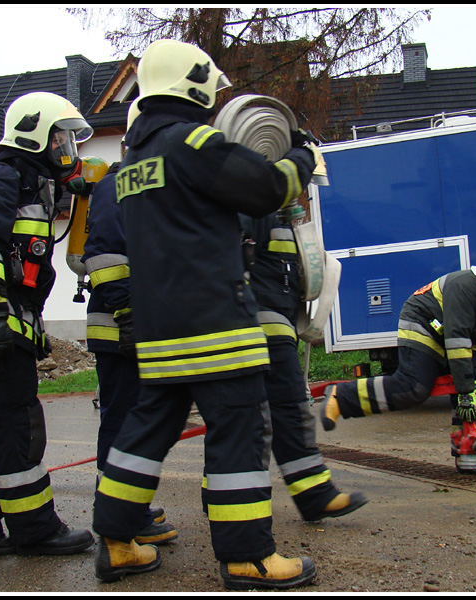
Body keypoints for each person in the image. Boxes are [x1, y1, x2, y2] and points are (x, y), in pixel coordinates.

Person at [93, 39, 317, 590]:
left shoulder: (133, 161)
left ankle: (117, 542)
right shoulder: (192, 141)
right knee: (239, 430)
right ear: (191, 83)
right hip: (215, 321)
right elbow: (264, 187)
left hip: (159, 329)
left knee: (144, 434)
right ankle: (247, 558)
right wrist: (301, 154)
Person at [0, 91, 95, 559]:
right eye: (61, 139)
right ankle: (35, 529)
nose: (69, 149)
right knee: (15, 424)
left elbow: (22, 271)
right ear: (35, 134)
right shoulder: (3, 177)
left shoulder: (29, 184)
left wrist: (30, 323)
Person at [322, 255, 476, 476]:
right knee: (414, 387)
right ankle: (341, 398)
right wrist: (465, 389)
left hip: (447, 334)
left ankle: (470, 455)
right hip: (423, 323)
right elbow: (458, 339)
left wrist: (473, 384)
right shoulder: (467, 286)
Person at [83, 104, 177, 548]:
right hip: (120, 328)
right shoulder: (113, 186)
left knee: (135, 421)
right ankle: (121, 517)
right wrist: (128, 317)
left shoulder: (147, 185)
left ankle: (129, 506)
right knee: (122, 422)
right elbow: (103, 255)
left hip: (139, 326)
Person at [235, 211, 367, 521]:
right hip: (260, 325)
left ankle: (310, 495)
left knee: (254, 418)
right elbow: (230, 259)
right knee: (281, 412)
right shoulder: (254, 201)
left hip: (277, 322)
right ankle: (312, 495)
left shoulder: (275, 212)